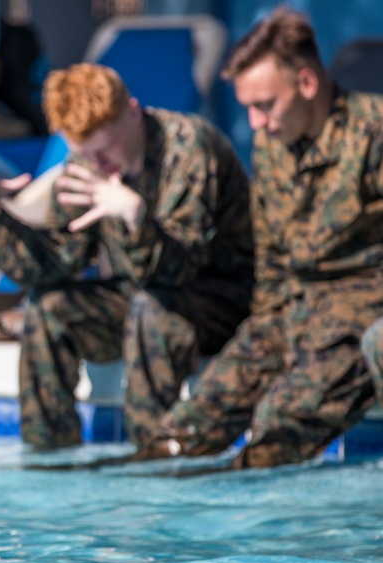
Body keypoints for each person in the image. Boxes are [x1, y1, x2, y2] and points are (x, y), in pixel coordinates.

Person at [144, 6, 383, 468]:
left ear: (307, 84)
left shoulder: (372, 134)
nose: (254, 122)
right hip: (289, 314)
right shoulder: (271, 145)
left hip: (358, 314)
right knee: (188, 427)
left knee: (277, 428)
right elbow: (271, 261)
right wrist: (262, 340)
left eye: (264, 105)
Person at [0, 63, 254, 451]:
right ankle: (47, 458)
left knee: (150, 307)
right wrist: (4, 220)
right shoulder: (86, 165)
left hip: (222, 301)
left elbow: (179, 271)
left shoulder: (190, 147)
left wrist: (135, 216)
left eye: (105, 150)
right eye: (84, 154)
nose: (98, 165)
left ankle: (151, 459)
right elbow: (57, 264)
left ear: (133, 112)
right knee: (48, 307)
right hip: (143, 296)